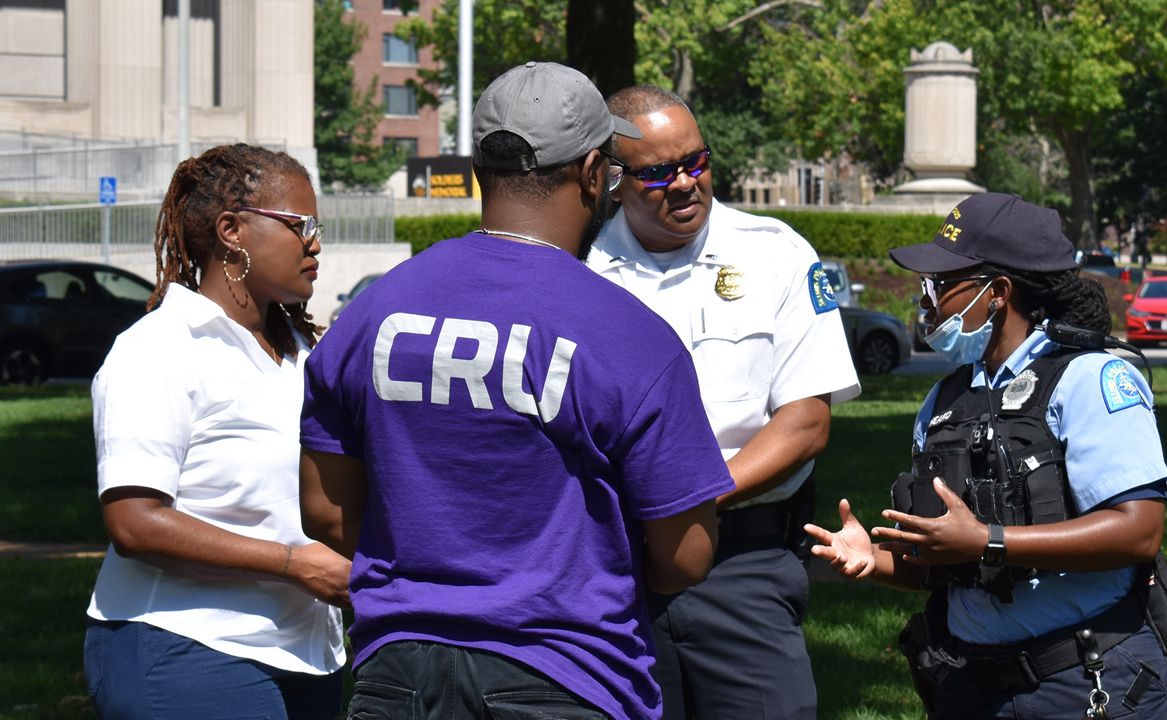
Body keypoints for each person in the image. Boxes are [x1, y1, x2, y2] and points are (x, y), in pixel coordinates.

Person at [297, 62, 734, 720]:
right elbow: (687, 554)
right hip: (569, 676)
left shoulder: (370, 313)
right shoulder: (632, 336)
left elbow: (326, 513)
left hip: (398, 674)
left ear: (481, 170)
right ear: (594, 174)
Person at [806, 192, 1167, 719]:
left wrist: (989, 541)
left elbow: (1139, 530)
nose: (926, 301)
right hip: (973, 687)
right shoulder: (942, 402)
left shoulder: (1090, 378)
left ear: (997, 292)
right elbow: (952, 564)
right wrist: (877, 560)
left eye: (940, 284)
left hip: (1088, 684)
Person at [586, 85, 861, 719]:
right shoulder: (584, 267)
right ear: (612, 179)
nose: (684, 183)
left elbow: (807, 423)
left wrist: (685, 501)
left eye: (697, 162)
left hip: (744, 565)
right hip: (612, 567)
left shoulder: (778, 254)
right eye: (658, 173)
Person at [84, 144, 349, 718]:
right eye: (299, 226)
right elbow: (135, 523)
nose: (315, 243)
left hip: (307, 655)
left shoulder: (306, 354)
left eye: (317, 226)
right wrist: (291, 563)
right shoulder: (158, 350)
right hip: (186, 649)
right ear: (231, 230)